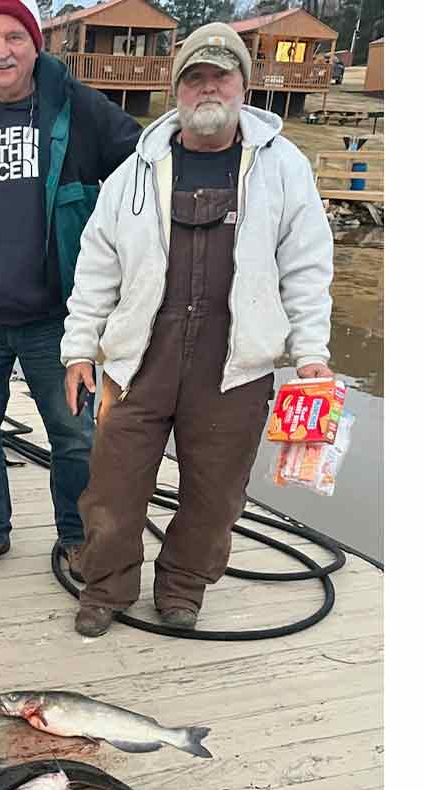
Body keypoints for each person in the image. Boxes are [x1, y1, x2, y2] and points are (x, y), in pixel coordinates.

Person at [61, 22, 334, 637]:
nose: (208, 87)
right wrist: (80, 347)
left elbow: (308, 266)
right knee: (112, 487)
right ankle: (106, 587)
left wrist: (312, 353)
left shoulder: (283, 167)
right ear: (176, 89)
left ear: (244, 84)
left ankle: (182, 587)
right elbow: (97, 265)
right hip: (141, 357)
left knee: (214, 495)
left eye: (221, 74)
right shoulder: (135, 169)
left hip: (234, 361)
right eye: (195, 77)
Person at [0, 0, 141, 578]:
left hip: (59, 321)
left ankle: (74, 533)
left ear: (36, 45)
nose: (2, 51)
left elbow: (144, 166)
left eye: (15, 38)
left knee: (72, 437)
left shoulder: (79, 107)